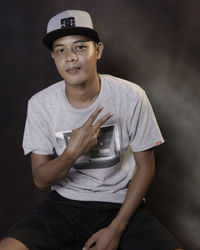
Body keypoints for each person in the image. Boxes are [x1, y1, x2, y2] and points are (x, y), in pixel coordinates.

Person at [0, 10, 183, 250]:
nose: (70, 57)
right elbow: (41, 180)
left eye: (79, 47)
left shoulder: (131, 96)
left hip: (121, 205)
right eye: (60, 50)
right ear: (54, 58)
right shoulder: (41, 104)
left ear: (97, 50)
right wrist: (71, 152)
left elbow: (146, 167)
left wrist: (116, 229)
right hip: (64, 206)